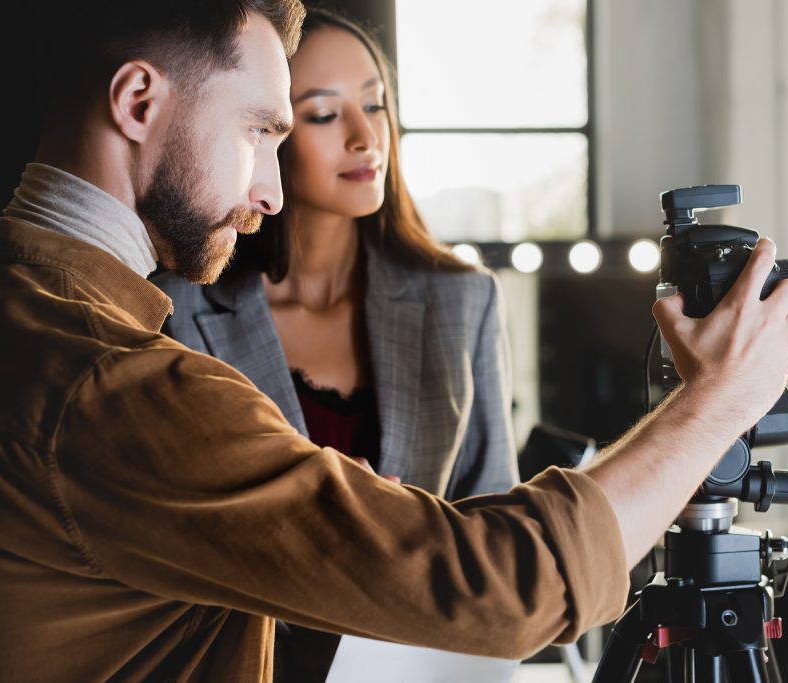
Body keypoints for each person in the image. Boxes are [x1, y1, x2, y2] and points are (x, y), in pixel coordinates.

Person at [0, 2, 788, 682]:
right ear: (137, 103)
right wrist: (713, 402)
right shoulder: (120, 389)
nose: (269, 192)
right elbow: (510, 585)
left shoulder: (18, 305)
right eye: (260, 132)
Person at [150, 8, 519, 680]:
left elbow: (493, 525)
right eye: (323, 114)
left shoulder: (463, 300)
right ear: (266, 132)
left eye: (375, 105)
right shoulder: (179, 307)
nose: (365, 136)